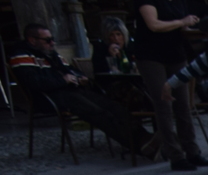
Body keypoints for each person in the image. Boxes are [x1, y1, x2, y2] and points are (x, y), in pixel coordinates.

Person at [7, 23, 151, 155]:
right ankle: (138, 144)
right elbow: (33, 82)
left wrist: (80, 77)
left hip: (70, 90)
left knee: (112, 106)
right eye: (47, 40)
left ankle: (146, 138)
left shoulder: (52, 54)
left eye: (52, 39)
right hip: (49, 97)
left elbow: (70, 69)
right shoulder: (21, 55)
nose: (52, 43)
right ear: (32, 40)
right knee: (98, 113)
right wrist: (63, 80)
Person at [133, 0, 208, 170]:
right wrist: (181, 22)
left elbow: (180, 25)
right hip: (151, 55)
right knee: (164, 105)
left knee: (184, 104)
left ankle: (192, 151)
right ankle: (175, 155)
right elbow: (153, 24)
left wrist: (195, 29)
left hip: (176, 52)